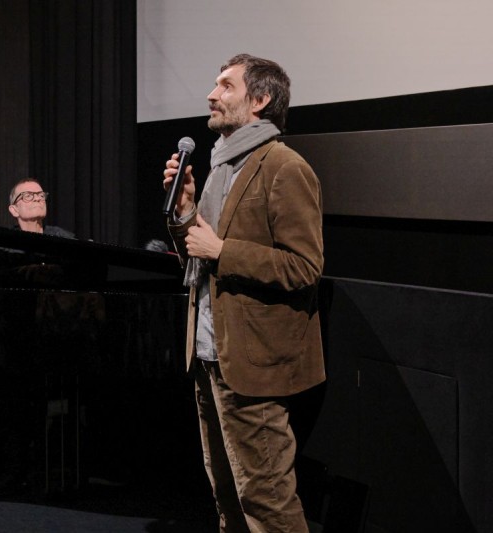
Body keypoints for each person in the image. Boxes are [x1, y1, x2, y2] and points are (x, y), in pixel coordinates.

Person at [162, 54, 325, 532]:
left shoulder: (284, 167)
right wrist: (185, 211)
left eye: (225, 86)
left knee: (267, 502)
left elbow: (304, 268)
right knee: (228, 495)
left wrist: (223, 250)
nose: (211, 95)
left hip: (253, 365)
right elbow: (197, 255)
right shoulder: (221, 167)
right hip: (210, 352)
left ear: (260, 99)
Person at [0, 178, 76, 287]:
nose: (37, 199)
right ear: (14, 210)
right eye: (28, 196)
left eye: (41, 195)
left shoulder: (64, 238)